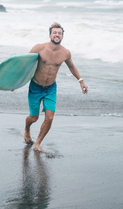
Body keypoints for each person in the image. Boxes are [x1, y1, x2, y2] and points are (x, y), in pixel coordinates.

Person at [24, 22, 88, 152]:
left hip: (51, 89)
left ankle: (37, 143)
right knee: (34, 117)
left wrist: (81, 81)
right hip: (35, 87)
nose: (57, 35)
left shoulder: (65, 53)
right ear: (50, 35)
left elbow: (71, 67)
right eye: (55, 33)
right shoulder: (39, 48)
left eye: (59, 33)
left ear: (62, 36)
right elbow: (25, 63)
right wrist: (15, 82)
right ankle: (27, 128)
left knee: (50, 118)